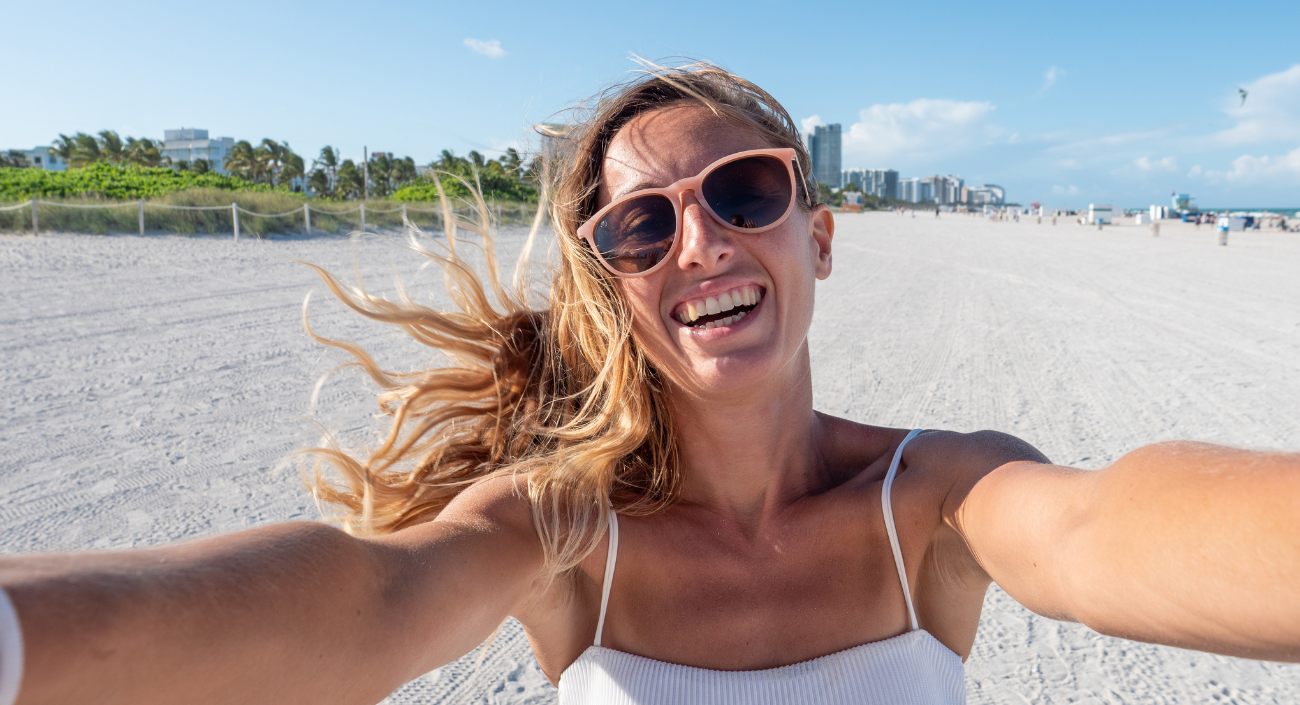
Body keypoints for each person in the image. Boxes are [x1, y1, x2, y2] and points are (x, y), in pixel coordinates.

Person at [1, 62, 1298, 705]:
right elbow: (369, 594)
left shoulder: (935, 502)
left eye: (744, 191)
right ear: (607, 280)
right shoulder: (563, 528)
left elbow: (1102, 523)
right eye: (643, 225)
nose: (703, 242)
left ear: (819, 233)